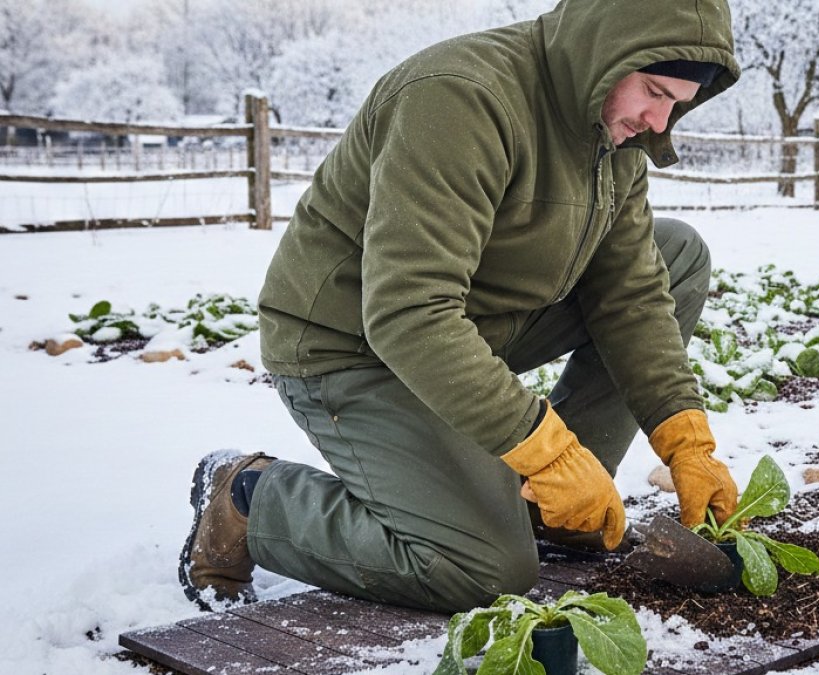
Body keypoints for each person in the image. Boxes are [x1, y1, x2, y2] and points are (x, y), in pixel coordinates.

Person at [179, 0, 742, 615]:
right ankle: (250, 499)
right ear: (604, 53)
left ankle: (548, 506)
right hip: (353, 345)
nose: (658, 121)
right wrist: (543, 447)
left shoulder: (612, 125)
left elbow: (630, 291)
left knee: (675, 255)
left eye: (677, 103)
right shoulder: (461, 97)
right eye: (653, 91)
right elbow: (408, 310)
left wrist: (685, 437)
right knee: (480, 570)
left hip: (468, 327)